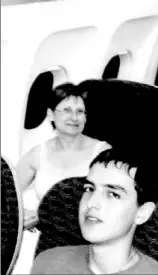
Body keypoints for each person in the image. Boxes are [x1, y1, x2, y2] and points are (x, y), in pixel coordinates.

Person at [13, 82, 111, 274]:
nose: (74, 117)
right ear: (50, 114)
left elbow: (108, 205)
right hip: (48, 237)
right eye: (67, 110)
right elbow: (8, 194)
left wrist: (43, 215)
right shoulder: (37, 154)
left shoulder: (103, 153)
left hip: (88, 239)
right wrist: (25, 213)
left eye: (80, 111)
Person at [31, 148, 158, 274]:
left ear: (142, 212)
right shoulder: (47, 262)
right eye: (89, 189)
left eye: (114, 194)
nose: (91, 203)